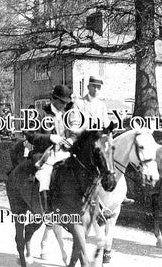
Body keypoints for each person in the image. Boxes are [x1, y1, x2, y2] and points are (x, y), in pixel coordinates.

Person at [70, 75, 135, 205]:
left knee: (112, 159)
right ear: (88, 87)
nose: (96, 89)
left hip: (99, 140)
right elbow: (74, 123)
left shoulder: (101, 105)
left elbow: (106, 124)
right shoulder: (79, 103)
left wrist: (115, 123)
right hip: (83, 140)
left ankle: (121, 193)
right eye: (93, 86)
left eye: (98, 87)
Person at [25, 85, 74, 214]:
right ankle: (47, 211)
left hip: (64, 152)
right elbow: (30, 135)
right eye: (61, 102)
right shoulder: (40, 114)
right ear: (53, 99)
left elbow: (73, 134)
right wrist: (50, 137)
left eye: (66, 103)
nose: (64, 105)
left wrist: (71, 140)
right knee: (44, 174)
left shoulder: (66, 115)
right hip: (45, 153)